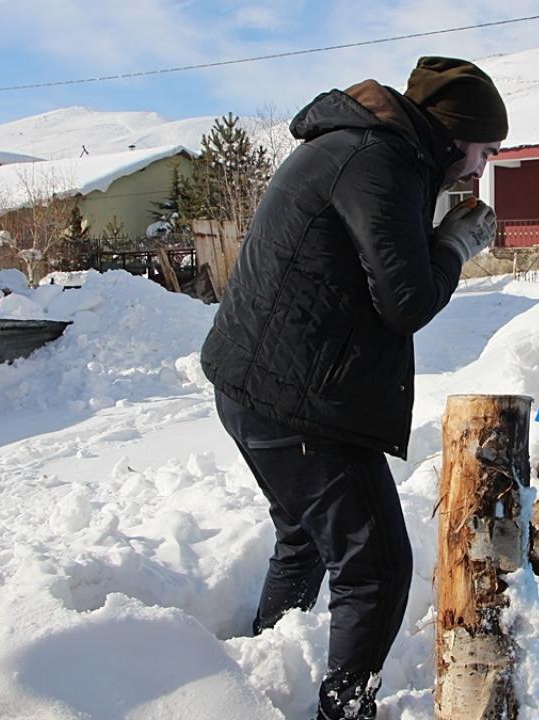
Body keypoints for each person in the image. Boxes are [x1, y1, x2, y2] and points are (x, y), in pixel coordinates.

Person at [200, 56, 507, 719]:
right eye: (485, 150)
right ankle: (344, 711)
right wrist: (453, 247)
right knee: (379, 568)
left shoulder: (377, 150)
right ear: (455, 133)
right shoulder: (380, 161)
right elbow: (406, 300)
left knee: (305, 539)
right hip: (294, 400)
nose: (483, 167)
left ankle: (253, 683)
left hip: (260, 384)